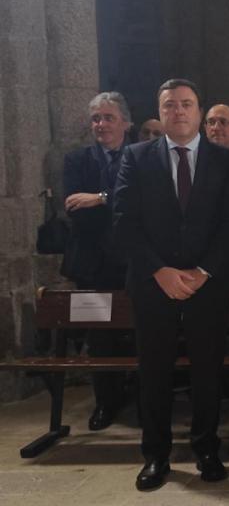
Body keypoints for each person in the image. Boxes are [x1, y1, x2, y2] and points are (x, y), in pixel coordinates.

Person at [113, 78, 229, 491]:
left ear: (198, 109)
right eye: (169, 105)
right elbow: (124, 224)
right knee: (154, 372)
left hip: (208, 285)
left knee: (208, 372)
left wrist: (203, 272)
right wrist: (160, 271)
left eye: (186, 104)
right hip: (153, 283)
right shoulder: (136, 158)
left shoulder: (227, 162)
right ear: (161, 111)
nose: (178, 112)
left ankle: (207, 449)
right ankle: (156, 455)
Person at [61, 92, 133, 432]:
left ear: (125, 123)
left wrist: (100, 198)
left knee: (136, 333)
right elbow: (76, 209)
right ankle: (106, 402)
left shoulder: (139, 156)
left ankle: (138, 397)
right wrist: (113, 201)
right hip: (92, 263)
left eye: (108, 117)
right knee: (100, 336)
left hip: (132, 261)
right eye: (96, 119)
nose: (101, 124)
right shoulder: (78, 160)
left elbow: (139, 204)